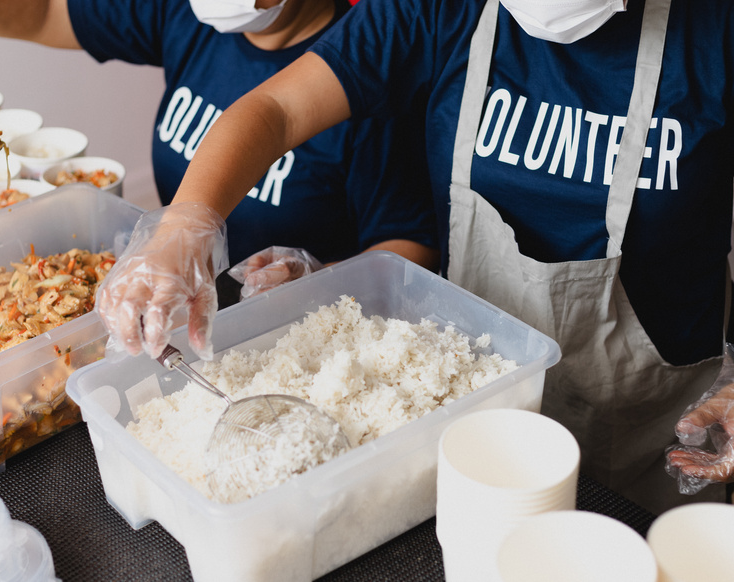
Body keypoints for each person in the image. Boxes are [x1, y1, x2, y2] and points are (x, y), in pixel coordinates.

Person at [89, 0, 734, 515]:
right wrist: (185, 223)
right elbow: (275, 109)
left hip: (657, 437)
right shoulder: (441, 10)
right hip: (469, 411)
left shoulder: (713, 29)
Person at [0, 0, 439, 303]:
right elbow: (43, 11)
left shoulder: (365, 73)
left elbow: (412, 243)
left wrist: (320, 276)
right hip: (177, 297)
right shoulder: (188, 15)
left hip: (285, 328)